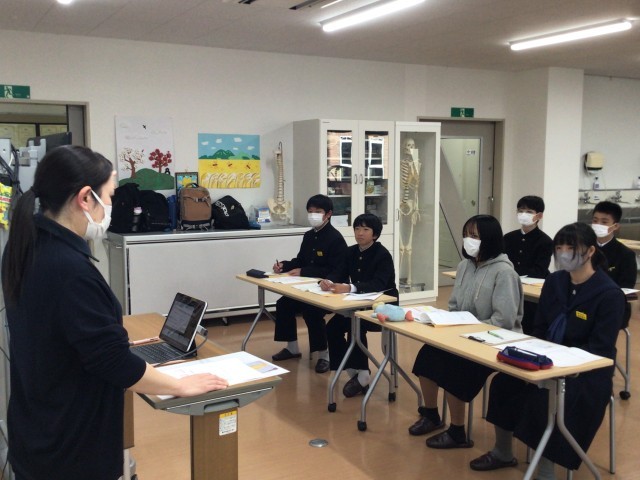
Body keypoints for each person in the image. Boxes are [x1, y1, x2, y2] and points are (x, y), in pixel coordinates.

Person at [1, 146, 229, 480]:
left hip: (38, 425)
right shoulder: (68, 269)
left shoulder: (28, 244)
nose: (110, 206)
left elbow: (62, 333)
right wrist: (179, 385)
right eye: (108, 196)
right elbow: (111, 362)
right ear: (85, 198)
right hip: (70, 444)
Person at [470, 222, 626, 479]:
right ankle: (503, 451)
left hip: (586, 372)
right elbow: (540, 327)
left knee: (545, 401)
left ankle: (545, 471)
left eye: (571, 248)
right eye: (559, 248)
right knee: (503, 383)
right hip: (546, 359)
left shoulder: (609, 294)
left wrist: (558, 363)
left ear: (590, 251)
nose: (563, 254)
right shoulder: (554, 281)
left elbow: (600, 348)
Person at [409, 214, 523, 448]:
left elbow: (503, 320)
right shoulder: (464, 266)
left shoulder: (504, 273)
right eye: (466, 235)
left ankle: (457, 431)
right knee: (427, 356)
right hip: (462, 334)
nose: (468, 240)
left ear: (489, 239)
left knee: (457, 368)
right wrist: (449, 322)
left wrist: (468, 330)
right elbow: (454, 305)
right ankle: (431, 414)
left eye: (474, 236)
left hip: (495, 340)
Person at [320, 213, 398, 397]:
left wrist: (350, 287)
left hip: (382, 306)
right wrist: (328, 281)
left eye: (365, 229)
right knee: (332, 328)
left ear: (375, 234)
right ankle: (351, 370)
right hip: (357, 304)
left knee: (357, 325)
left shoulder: (382, 255)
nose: (360, 233)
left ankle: (363, 374)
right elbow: (339, 272)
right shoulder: (351, 251)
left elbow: (378, 284)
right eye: (357, 229)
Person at [271, 194, 348, 373]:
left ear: (328, 214)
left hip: (330, 289)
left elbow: (336, 270)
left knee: (311, 311)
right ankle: (292, 348)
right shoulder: (308, 235)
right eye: (310, 211)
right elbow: (301, 260)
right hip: (308, 287)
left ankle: (324, 355)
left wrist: (305, 271)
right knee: (284, 304)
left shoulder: (335, 239)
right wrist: (284, 265)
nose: (313, 215)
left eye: (318, 212)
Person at [503, 195, 553, 334]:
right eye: (521, 211)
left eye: (529, 212)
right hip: (509, 286)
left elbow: (539, 270)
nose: (523, 214)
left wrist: (513, 273)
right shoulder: (508, 238)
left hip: (531, 289)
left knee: (529, 322)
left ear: (539, 216)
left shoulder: (545, 241)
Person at [592, 201, 637, 327]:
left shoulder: (626, 254)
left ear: (615, 226)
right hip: (586, 302)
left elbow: (627, 289)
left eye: (604, 222)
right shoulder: (585, 248)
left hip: (614, 306)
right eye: (595, 221)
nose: (598, 225)